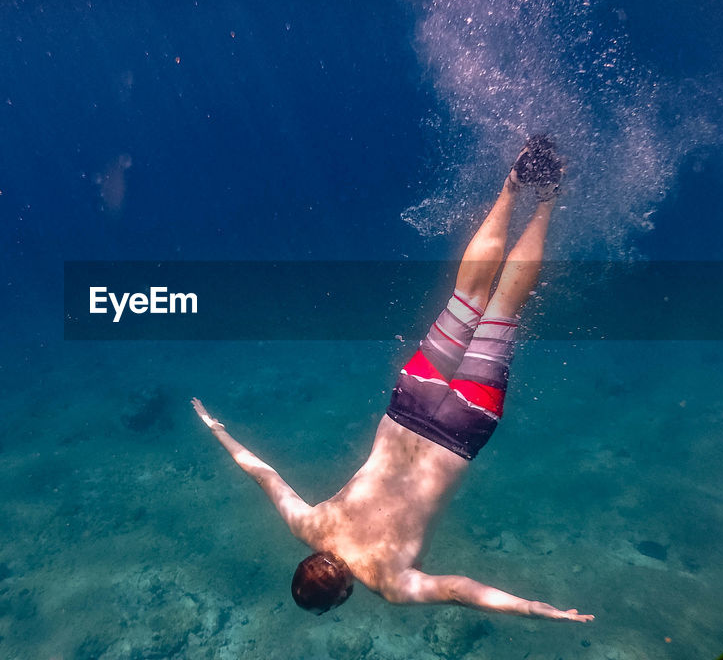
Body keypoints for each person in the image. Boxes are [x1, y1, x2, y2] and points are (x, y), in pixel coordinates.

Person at [192, 135, 593, 623]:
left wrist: (534, 609)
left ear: (341, 596)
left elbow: (461, 591)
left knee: (503, 310)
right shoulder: (310, 526)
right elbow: (263, 475)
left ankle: (547, 197)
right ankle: (512, 187)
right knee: (466, 297)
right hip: (409, 406)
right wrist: (218, 431)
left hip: (459, 431)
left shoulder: (390, 584)